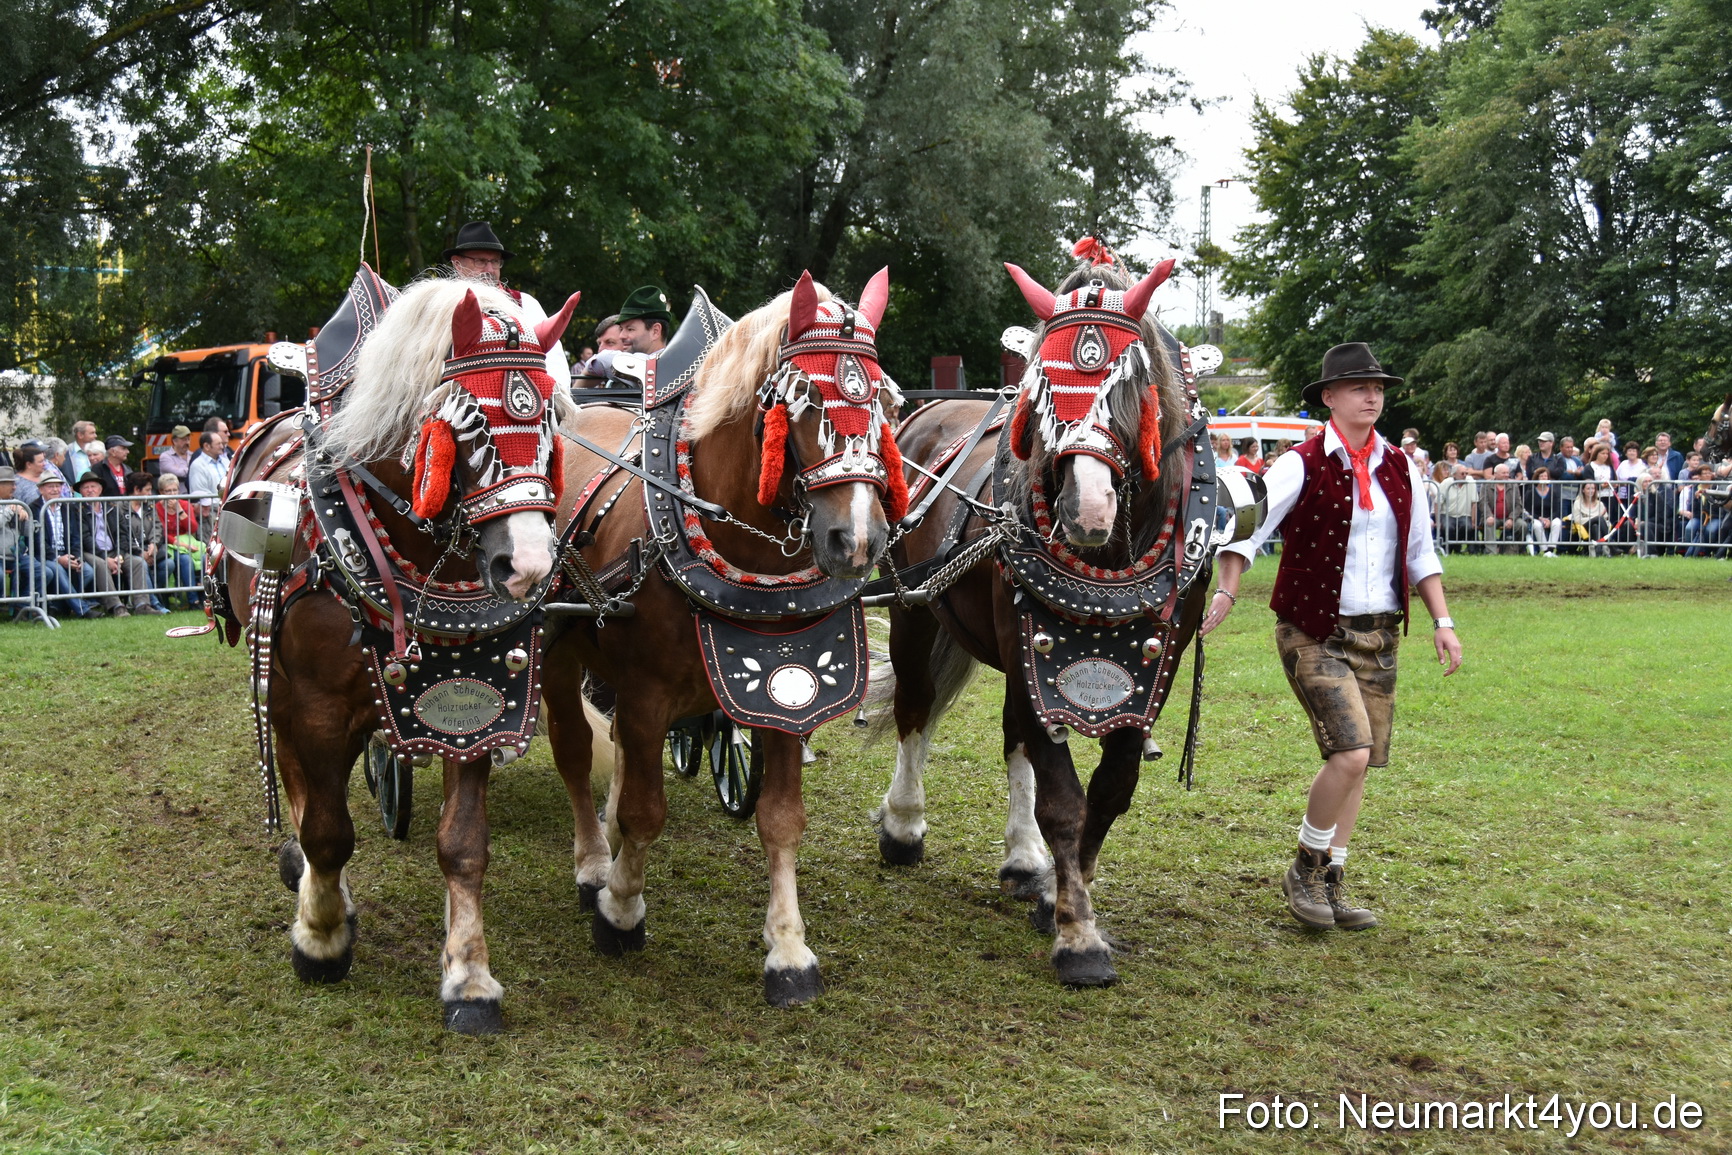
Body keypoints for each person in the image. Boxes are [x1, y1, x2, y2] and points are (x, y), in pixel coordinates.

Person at [1201, 342, 1460, 932]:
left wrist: (1443, 623)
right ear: (1329, 397)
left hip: (1381, 634)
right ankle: (1304, 868)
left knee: (1360, 762)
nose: (1373, 395)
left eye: (1379, 387)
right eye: (1359, 387)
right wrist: (1227, 590)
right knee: (1350, 753)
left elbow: (1421, 553)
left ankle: (1331, 878)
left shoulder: (1401, 467)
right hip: (1313, 630)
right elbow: (1249, 528)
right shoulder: (1300, 462)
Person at [444, 220, 570, 381]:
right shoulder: (440, 307)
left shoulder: (524, 303)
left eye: (495, 262)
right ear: (457, 264)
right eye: (480, 261)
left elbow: (554, 363)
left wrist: (551, 401)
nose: (489, 270)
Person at [25, 474, 96, 618]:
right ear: (41, 489)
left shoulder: (67, 507)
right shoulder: (33, 508)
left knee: (87, 571)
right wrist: (57, 558)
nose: (55, 489)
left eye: (58, 486)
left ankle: (60, 606)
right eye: (50, 486)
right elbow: (36, 541)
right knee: (58, 570)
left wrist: (76, 557)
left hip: (67, 553)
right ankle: (82, 610)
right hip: (45, 555)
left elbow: (76, 536)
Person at [153, 473, 202, 607]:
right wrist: (181, 545)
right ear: (161, 492)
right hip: (168, 543)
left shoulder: (185, 504)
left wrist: (179, 510)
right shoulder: (157, 507)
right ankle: (188, 599)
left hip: (187, 540)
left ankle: (199, 598)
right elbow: (161, 532)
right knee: (182, 559)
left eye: (175, 490)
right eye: (168, 491)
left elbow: (192, 528)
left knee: (195, 558)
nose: (172, 494)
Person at [1477, 463, 1528, 553]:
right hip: (1493, 517)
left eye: (1507, 473)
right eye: (1503, 473)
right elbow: (1483, 502)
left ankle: (1517, 550)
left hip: (1510, 517)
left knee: (1522, 525)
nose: (1506, 475)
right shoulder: (1486, 485)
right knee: (1489, 524)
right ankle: (1491, 552)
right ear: (1495, 474)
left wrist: (1511, 519)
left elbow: (1518, 505)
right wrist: (1489, 516)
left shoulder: (1513, 485)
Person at [616, 285, 675, 354]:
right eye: (621, 329)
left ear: (655, 331)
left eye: (630, 329)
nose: (621, 336)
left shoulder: (675, 364)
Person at [188, 430, 228, 525]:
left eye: (222, 443)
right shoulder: (197, 465)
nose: (222, 447)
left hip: (229, 510)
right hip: (210, 515)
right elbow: (200, 493)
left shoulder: (226, 462)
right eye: (218, 444)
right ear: (206, 446)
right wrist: (220, 504)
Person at [1523, 467, 1566, 557]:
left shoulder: (1553, 492)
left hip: (1550, 517)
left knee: (1557, 523)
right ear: (1537, 478)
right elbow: (1528, 510)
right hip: (1536, 517)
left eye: (1545, 476)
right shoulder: (1530, 492)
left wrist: (1549, 519)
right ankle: (1545, 550)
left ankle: (1551, 548)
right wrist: (1539, 518)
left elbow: (1556, 509)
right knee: (1537, 525)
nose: (1544, 478)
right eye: (1541, 476)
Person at [1568, 480, 1611, 556]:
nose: (1591, 491)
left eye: (1593, 488)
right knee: (1598, 519)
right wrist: (1595, 518)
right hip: (1583, 526)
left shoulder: (1600, 504)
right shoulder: (1578, 503)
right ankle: (1612, 544)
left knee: (1595, 526)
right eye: (1588, 488)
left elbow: (1605, 519)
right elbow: (1577, 519)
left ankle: (1598, 551)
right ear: (1583, 490)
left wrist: (1593, 518)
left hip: (1597, 527)